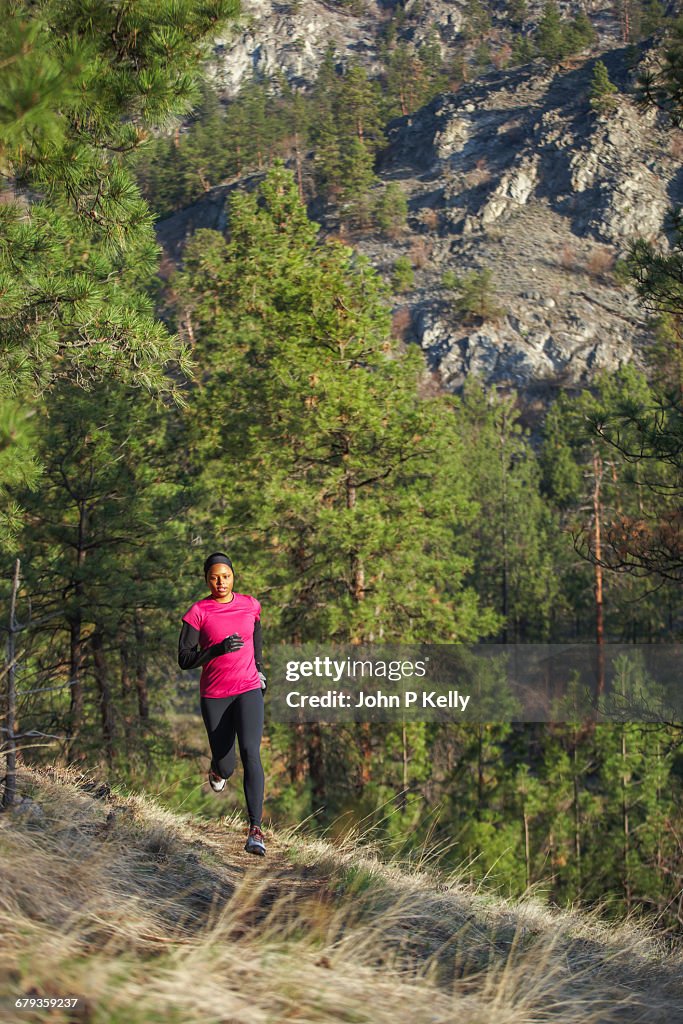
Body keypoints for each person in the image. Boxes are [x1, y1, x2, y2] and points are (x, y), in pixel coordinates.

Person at [178, 552, 267, 856]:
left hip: (248, 688)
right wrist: (216, 649)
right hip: (215, 695)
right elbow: (184, 659)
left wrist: (260, 667)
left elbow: (256, 635)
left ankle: (255, 829)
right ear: (207, 579)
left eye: (225, 576)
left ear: (233, 576)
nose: (220, 582)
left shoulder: (250, 604)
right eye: (214, 577)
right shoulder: (198, 612)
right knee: (227, 763)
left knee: (250, 752)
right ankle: (217, 771)